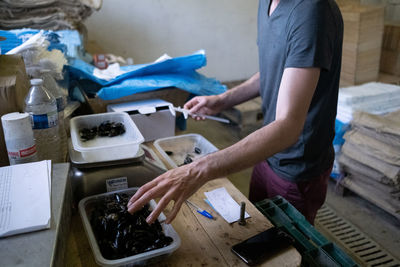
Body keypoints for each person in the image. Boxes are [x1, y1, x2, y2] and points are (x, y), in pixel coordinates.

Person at [128, 0, 343, 225]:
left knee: (283, 247)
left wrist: (199, 170)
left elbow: (288, 127)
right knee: (256, 228)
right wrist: (223, 100)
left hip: (296, 163)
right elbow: (277, 68)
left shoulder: (313, 12)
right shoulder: (269, 3)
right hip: (266, 148)